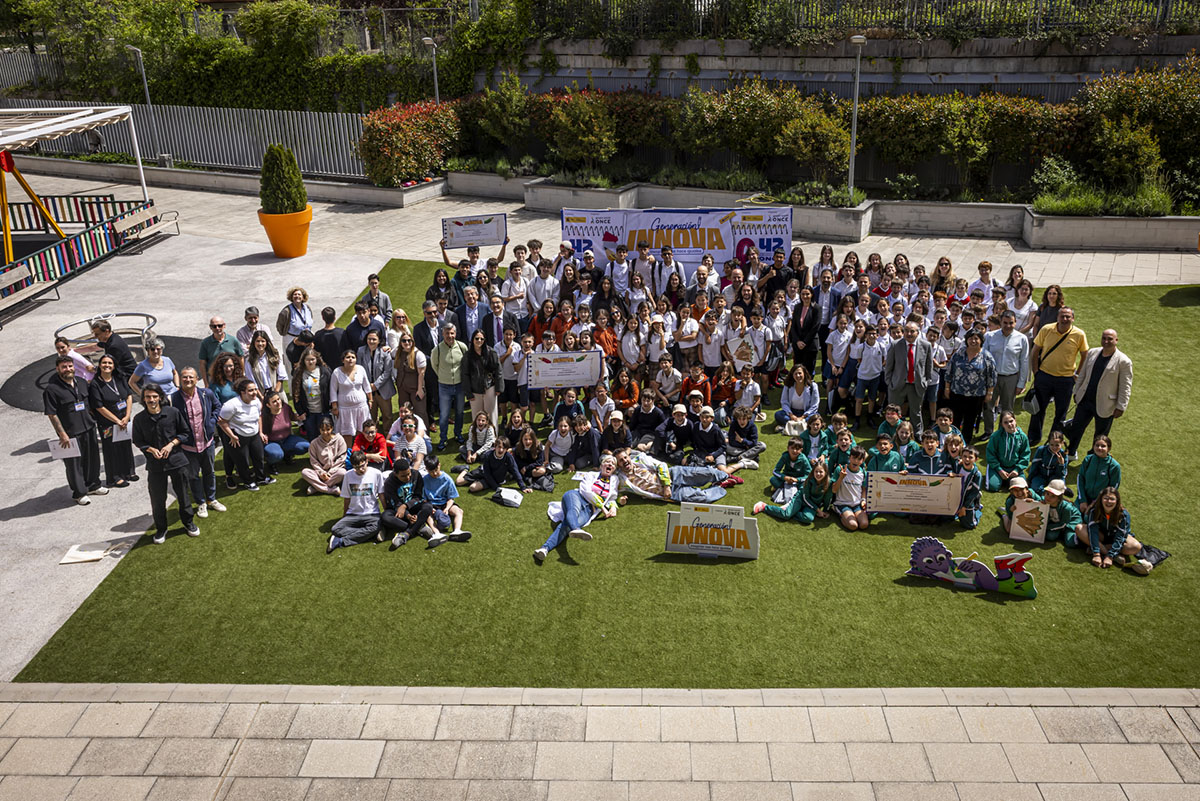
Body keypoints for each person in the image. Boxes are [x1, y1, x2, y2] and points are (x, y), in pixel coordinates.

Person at [131, 384, 198, 543]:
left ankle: (188, 523)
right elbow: (138, 441)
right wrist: (150, 450)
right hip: (155, 465)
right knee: (157, 499)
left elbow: (185, 433)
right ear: (144, 399)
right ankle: (161, 529)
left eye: (154, 396)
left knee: (183, 495)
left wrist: (171, 444)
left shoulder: (173, 413)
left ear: (160, 397)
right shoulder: (139, 419)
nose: (151, 400)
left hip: (176, 461)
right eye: (148, 397)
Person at [534, 453, 621, 561]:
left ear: (614, 469)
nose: (610, 464)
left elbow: (613, 497)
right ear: (601, 465)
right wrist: (602, 507)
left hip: (589, 510)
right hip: (577, 497)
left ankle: (544, 549)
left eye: (613, 464)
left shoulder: (614, 480)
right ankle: (576, 528)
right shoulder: (591, 474)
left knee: (566, 525)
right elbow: (586, 491)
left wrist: (613, 507)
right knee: (573, 511)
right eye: (607, 462)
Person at [44, 356, 106, 505]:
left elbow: (90, 405)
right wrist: (62, 433)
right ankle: (79, 493)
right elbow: (52, 414)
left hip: (89, 428)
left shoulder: (82, 383)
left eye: (70, 366)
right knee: (74, 464)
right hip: (71, 432)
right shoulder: (52, 390)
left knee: (92, 458)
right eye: (64, 367)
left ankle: (93, 485)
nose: (68, 369)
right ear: (58, 369)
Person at [1066, 329, 1132, 460]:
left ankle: (1093, 458)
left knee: (1100, 434)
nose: (1106, 341)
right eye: (1104, 338)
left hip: (1106, 404)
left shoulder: (1124, 361)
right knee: (1076, 428)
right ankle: (1071, 452)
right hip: (1085, 400)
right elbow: (1082, 374)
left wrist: (1121, 406)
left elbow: (1126, 387)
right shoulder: (1092, 353)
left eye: (1110, 339)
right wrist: (1077, 392)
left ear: (1116, 340)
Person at [1027, 306, 1088, 446]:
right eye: (1062, 316)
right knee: (1038, 409)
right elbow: (1035, 351)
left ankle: (1053, 441)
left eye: (1068, 317)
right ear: (1057, 317)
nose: (1065, 319)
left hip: (1066, 380)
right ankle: (1034, 437)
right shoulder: (1047, 329)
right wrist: (1036, 371)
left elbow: (1085, 355)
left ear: (1073, 318)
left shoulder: (1079, 334)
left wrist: (1077, 374)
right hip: (1044, 377)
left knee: (1061, 413)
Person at [171, 366, 225, 517]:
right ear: (180, 379)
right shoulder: (174, 398)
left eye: (191, 377)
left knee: (209, 472)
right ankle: (201, 502)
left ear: (196, 379)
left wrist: (212, 421)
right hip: (188, 447)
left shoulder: (205, 393)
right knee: (193, 476)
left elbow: (217, 406)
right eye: (184, 377)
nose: (188, 380)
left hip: (207, 443)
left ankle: (211, 499)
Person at [614, 447, 740, 505]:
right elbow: (608, 491)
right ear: (618, 465)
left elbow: (661, 465)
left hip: (673, 475)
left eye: (625, 457)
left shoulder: (640, 459)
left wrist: (666, 485)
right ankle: (720, 486)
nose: (625, 461)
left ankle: (724, 476)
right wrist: (621, 501)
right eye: (621, 460)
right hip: (670, 493)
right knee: (703, 498)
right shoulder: (621, 481)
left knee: (706, 473)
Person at [88, 354, 137, 488]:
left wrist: (127, 416)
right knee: (111, 449)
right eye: (104, 363)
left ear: (114, 365)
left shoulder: (119, 378)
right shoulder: (95, 384)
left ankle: (128, 472)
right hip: (108, 423)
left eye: (110, 363)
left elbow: (128, 396)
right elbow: (99, 407)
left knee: (125, 445)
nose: (107, 365)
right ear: (100, 365)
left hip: (124, 419)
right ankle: (114, 477)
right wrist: (116, 420)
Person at [326, 450, 386, 553]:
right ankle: (367, 534)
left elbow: (381, 495)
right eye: (357, 467)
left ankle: (340, 541)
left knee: (375, 526)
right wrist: (344, 516)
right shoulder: (348, 476)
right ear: (353, 466)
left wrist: (386, 513)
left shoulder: (376, 474)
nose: (361, 469)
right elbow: (347, 498)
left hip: (372, 514)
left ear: (367, 461)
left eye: (362, 465)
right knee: (335, 529)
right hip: (353, 514)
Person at [218, 379, 273, 491]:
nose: (255, 392)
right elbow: (221, 421)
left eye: (255, 389)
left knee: (258, 457)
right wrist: (232, 436)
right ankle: (248, 482)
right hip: (238, 436)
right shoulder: (231, 405)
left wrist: (260, 432)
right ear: (243, 392)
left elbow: (259, 416)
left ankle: (261, 478)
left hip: (254, 435)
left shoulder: (256, 402)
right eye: (251, 390)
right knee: (242, 461)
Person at [982, 310, 1029, 439]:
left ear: (1015, 322)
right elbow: (984, 357)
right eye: (1005, 323)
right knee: (988, 406)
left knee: (1007, 409)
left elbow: (1024, 361)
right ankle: (988, 431)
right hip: (992, 377)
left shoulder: (1022, 339)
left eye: (1011, 323)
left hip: (1011, 377)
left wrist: (1021, 382)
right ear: (1000, 322)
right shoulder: (990, 336)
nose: (1008, 326)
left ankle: (1002, 433)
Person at [1082, 487, 1151, 574]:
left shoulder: (1123, 514)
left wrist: (1109, 557)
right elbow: (1093, 532)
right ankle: (1112, 554)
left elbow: (1120, 536)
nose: (1108, 502)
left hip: (1114, 537)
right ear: (1101, 499)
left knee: (1136, 546)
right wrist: (1096, 554)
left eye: (1112, 499)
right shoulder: (1094, 510)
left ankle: (1104, 550)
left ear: (1117, 501)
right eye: (1106, 498)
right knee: (1079, 529)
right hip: (1101, 536)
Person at [944, 329, 996, 442]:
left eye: (976, 338)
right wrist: (947, 388)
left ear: (981, 341)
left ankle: (966, 441)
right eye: (971, 338)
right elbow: (949, 371)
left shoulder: (987, 356)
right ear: (966, 340)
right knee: (956, 418)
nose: (973, 341)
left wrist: (989, 393)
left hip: (976, 395)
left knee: (970, 419)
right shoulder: (959, 353)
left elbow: (991, 377)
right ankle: (954, 441)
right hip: (957, 392)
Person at [884, 321, 935, 435]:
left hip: (916, 385)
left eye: (912, 331)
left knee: (916, 412)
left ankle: (917, 434)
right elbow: (889, 366)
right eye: (906, 330)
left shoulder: (926, 345)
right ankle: (891, 433)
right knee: (893, 411)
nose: (909, 333)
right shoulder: (895, 345)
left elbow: (928, 366)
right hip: (897, 385)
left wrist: (926, 382)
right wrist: (889, 382)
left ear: (918, 332)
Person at [753, 460, 833, 524]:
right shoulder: (808, 481)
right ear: (813, 472)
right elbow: (806, 498)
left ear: (826, 473)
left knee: (808, 519)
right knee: (786, 515)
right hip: (801, 498)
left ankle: (792, 510)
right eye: (816, 471)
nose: (818, 474)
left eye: (821, 472)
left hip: (811, 504)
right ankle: (764, 506)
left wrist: (825, 510)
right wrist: (818, 510)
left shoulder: (829, 483)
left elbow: (827, 498)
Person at [418, 456, 471, 547]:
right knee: (427, 515)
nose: (434, 473)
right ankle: (437, 534)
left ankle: (457, 531)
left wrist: (447, 508)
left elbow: (451, 498)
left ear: (439, 465)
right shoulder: (424, 480)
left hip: (445, 503)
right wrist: (430, 508)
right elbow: (423, 498)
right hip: (431, 504)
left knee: (459, 511)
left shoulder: (447, 479)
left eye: (436, 470)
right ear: (426, 469)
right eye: (431, 471)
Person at [431, 322, 468, 448]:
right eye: (447, 333)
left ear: (455, 333)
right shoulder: (437, 350)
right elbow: (434, 366)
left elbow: (466, 364)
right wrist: (443, 376)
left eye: (452, 333)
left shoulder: (462, 347)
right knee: (444, 414)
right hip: (444, 386)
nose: (449, 336)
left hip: (459, 386)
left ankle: (458, 434)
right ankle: (443, 438)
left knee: (459, 412)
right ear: (442, 334)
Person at [357, 329, 396, 432]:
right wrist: (368, 386)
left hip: (383, 389)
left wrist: (376, 385)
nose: (371, 341)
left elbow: (387, 371)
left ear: (379, 341)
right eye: (369, 339)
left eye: (374, 339)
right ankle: (372, 436)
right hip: (368, 390)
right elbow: (359, 369)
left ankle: (388, 435)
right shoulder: (361, 351)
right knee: (371, 416)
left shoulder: (384, 352)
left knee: (387, 415)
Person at [329, 349, 373, 439]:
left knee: (361, 430)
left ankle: (359, 449)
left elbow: (367, 386)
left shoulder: (361, 369)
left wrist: (370, 399)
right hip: (345, 409)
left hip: (361, 406)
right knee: (347, 432)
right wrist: (334, 407)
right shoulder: (336, 372)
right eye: (348, 357)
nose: (350, 359)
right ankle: (347, 451)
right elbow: (333, 390)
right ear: (343, 360)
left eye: (353, 357)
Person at [463, 328, 503, 428]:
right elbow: (465, 374)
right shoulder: (468, 355)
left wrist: (498, 388)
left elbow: (498, 370)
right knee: (477, 417)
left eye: (482, 339)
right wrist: (468, 393)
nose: (479, 341)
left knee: (491, 416)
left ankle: (493, 439)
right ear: (472, 340)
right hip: (475, 390)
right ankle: (477, 438)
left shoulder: (491, 352)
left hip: (490, 387)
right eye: (477, 338)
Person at [292, 347, 332, 441]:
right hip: (309, 412)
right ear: (303, 360)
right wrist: (300, 411)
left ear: (317, 359)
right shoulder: (299, 373)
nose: (310, 362)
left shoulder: (324, 371)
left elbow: (331, 389)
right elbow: (295, 394)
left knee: (325, 436)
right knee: (312, 437)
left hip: (323, 410)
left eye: (312, 359)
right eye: (308, 360)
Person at [984, 410, 1031, 492]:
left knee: (1021, 489)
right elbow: (990, 454)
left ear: (1015, 420)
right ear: (1002, 424)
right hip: (998, 467)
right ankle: (1000, 479)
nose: (1009, 424)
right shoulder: (996, 436)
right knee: (992, 487)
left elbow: (1025, 455)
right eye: (1005, 422)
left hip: (1014, 468)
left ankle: (1007, 480)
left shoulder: (1022, 437)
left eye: (1011, 421)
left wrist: (1017, 470)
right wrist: (999, 469)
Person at [1076, 434, 1120, 516]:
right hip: (1083, 499)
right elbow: (1080, 479)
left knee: (1090, 523)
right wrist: (1082, 500)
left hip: (1101, 503)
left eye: (1103, 446)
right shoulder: (1088, 459)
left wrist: (1095, 504)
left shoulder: (1114, 466)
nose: (1099, 448)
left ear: (1109, 448)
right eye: (1097, 445)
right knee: (1073, 520)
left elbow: (1113, 488)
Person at [301, 416, 347, 495]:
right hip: (320, 473)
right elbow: (313, 461)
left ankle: (316, 487)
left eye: (328, 429)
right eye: (322, 430)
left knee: (343, 473)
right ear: (319, 429)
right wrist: (321, 473)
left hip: (335, 471)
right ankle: (331, 489)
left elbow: (342, 458)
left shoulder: (339, 439)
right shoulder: (314, 443)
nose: (325, 432)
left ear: (332, 428)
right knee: (305, 472)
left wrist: (329, 473)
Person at [262, 390, 310, 466]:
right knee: (276, 454)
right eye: (274, 401)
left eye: (278, 399)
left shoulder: (285, 408)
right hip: (272, 442)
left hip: (287, 439)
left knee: (306, 446)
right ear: (268, 405)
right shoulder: (264, 416)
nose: (278, 402)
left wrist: (299, 417)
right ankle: (271, 463)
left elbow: (292, 417)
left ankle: (286, 454)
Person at [831, 445, 870, 531]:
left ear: (863, 460)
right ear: (849, 457)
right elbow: (834, 490)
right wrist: (841, 477)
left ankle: (852, 514)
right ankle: (839, 512)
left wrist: (863, 500)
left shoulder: (863, 473)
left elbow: (863, 489)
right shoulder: (840, 469)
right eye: (854, 458)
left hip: (856, 504)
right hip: (842, 503)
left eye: (859, 459)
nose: (856, 461)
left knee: (864, 524)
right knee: (853, 525)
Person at [129, 336, 179, 402]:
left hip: (173, 395)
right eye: (152, 349)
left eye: (158, 349)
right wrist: (143, 395)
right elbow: (132, 382)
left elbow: (175, 373)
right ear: (148, 351)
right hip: (156, 399)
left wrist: (177, 386)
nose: (155, 351)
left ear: (162, 350)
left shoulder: (167, 360)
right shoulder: (143, 366)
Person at [1042, 478, 1085, 546]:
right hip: (1058, 522)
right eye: (1047, 493)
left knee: (1070, 543)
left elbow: (1063, 523)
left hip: (1070, 523)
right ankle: (1061, 533)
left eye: (1053, 496)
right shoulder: (1044, 500)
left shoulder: (1067, 508)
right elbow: (1035, 496)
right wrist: (1030, 497)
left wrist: (1046, 527)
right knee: (1050, 536)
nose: (1048, 497)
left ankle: (1080, 538)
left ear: (1059, 498)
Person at [278, 286, 314, 363]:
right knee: (291, 362)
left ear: (303, 297)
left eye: (299, 294)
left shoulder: (307, 308)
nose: (297, 296)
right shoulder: (286, 311)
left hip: (305, 339)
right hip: (292, 338)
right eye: (295, 294)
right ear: (291, 297)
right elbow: (280, 326)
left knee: (307, 360)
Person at [244, 330, 285, 395]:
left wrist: (275, 393)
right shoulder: (249, 360)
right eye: (257, 341)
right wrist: (261, 397)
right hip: (260, 393)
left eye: (263, 341)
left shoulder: (274, 356)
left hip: (277, 391)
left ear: (267, 342)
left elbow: (281, 376)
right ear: (254, 342)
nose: (260, 344)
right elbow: (251, 380)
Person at [1028, 429, 1069, 494]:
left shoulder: (1064, 455)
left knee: (1057, 488)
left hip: (1054, 477)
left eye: (1057, 445)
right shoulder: (1041, 450)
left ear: (1062, 443)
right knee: (1035, 488)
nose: (1054, 448)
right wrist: (1029, 480)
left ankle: (1062, 489)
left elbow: (1060, 475)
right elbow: (1034, 466)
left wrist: (1061, 464)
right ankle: (1046, 493)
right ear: (1048, 443)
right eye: (1051, 445)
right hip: (1040, 475)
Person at [313, 306, 348, 371]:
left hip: (325, 368)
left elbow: (316, 353)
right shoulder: (342, 333)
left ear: (323, 318)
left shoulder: (318, 335)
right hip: (340, 368)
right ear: (335, 317)